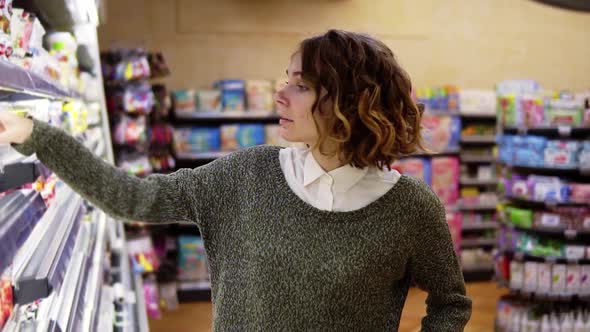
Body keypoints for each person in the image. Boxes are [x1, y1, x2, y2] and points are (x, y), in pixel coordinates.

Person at [0, 29, 471, 331]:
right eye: (284, 79)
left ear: (350, 102)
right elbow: (135, 199)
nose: (280, 94)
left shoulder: (411, 208)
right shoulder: (245, 175)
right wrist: (36, 136)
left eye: (300, 85)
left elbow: (451, 304)